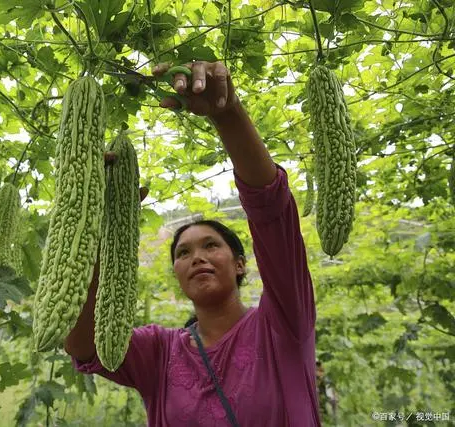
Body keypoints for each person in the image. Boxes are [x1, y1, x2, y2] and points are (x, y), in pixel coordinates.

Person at [64, 60, 321, 426]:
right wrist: (101, 226)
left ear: (240, 263)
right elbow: (83, 346)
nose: (197, 257)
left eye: (211, 246)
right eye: (183, 252)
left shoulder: (283, 325)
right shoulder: (159, 350)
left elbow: (273, 213)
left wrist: (228, 114)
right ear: (176, 273)